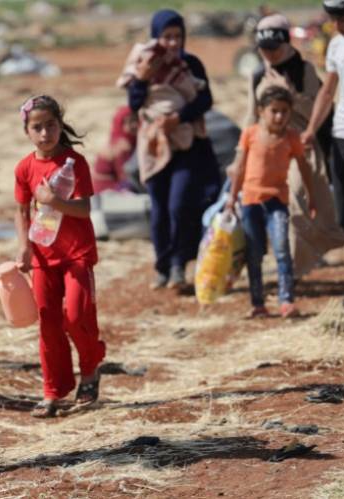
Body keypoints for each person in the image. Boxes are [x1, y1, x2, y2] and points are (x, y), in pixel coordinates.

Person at [14, 95, 106, 418]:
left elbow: (84, 209)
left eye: (51, 125)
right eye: (37, 127)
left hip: (77, 254)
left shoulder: (74, 163)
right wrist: (24, 247)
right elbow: (21, 210)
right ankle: (53, 391)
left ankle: (91, 368)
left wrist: (54, 200)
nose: (45, 133)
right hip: (43, 256)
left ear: (60, 125)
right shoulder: (24, 167)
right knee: (49, 324)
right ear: (27, 131)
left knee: (77, 316)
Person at [246, 13, 344, 279]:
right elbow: (251, 114)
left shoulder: (303, 71)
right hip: (268, 150)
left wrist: (290, 95)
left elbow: (319, 110)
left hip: (300, 144)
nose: (270, 55)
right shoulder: (259, 74)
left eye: (274, 49)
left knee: (298, 202)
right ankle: (291, 262)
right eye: (264, 49)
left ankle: (294, 267)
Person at [126, 9, 221, 289]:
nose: (172, 43)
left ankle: (179, 263)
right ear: (156, 37)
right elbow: (134, 103)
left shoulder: (190, 65)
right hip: (154, 146)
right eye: (166, 37)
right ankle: (163, 267)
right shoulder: (144, 64)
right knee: (159, 210)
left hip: (187, 143)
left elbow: (205, 100)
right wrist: (142, 79)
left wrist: (178, 118)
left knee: (179, 205)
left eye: (177, 36)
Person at [226, 86, 316, 318]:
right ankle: (258, 303)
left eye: (284, 111)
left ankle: (286, 301)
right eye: (274, 111)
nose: (279, 116)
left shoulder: (292, 138)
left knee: (282, 250)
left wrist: (311, 196)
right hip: (251, 202)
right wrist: (231, 198)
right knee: (254, 254)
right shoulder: (250, 134)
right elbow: (240, 168)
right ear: (261, 111)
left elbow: (304, 167)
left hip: (277, 202)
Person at [304, 1, 344, 236]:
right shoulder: (336, 45)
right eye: (334, 20)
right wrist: (311, 128)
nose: (338, 26)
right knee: (343, 213)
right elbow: (327, 92)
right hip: (341, 134)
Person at [91, 105, 138, 193]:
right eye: (130, 122)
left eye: (136, 120)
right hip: (109, 190)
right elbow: (124, 176)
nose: (135, 125)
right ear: (119, 124)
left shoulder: (131, 141)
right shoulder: (122, 146)